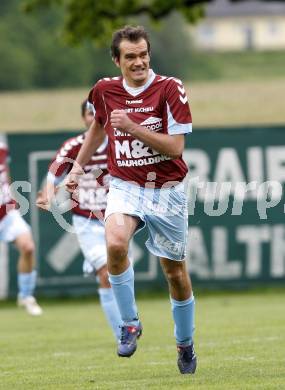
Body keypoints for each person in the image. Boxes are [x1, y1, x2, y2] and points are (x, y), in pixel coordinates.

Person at [66, 25, 196, 374]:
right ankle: (129, 324)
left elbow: (176, 148)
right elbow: (97, 128)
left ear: (149, 54)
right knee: (115, 243)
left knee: (175, 274)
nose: (138, 62)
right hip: (125, 186)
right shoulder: (104, 91)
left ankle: (185, 344)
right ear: (116, 60)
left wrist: (134, 128)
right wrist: (77, 169)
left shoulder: (170, 89)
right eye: (130, 56)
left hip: (166, 190)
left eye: (143, 54)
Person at [36, 100, 123, 340]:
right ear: (83, 118)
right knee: (106, 273)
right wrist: (47, 194)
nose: (93, 118)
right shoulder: (74, 146)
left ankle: (128, 318)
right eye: (88, 114)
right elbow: (53, 174)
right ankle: (123, 333)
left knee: (121, 274)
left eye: (97, 114)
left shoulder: (118, 143)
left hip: (117, 220)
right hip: (87, 221)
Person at [0, 134, 42, 316]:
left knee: (28, 247)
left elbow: (4, 171)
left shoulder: (1, 147)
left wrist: (10, 195)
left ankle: (26, 296)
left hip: (5, 211)